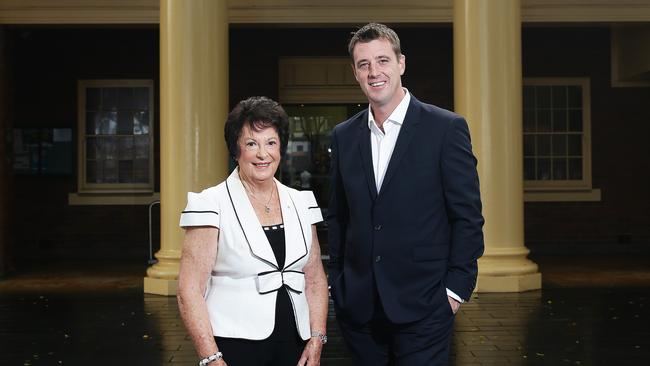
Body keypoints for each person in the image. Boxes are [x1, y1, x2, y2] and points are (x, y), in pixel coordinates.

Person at [327, 23, 485, 365]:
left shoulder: (445, 129)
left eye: (382, 60)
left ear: (401, 63)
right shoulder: (344, 135)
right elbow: (339, 217)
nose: (374, 72)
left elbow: (467, 217)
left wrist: (455, 290)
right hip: (359, 308)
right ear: (355, 72)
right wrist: (338, 285)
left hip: (426, 306)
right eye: (364, 64)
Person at [177, 96, 328, 366]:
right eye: (251, 144)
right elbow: (189, 290)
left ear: (281, 147)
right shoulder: (211, 203)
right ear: (236, 151)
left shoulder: (302, 202)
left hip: (295, 345)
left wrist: (317, 339)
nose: (262, 154)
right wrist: (211, 358)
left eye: (271, 142)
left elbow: (315, 278)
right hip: (234, 348)